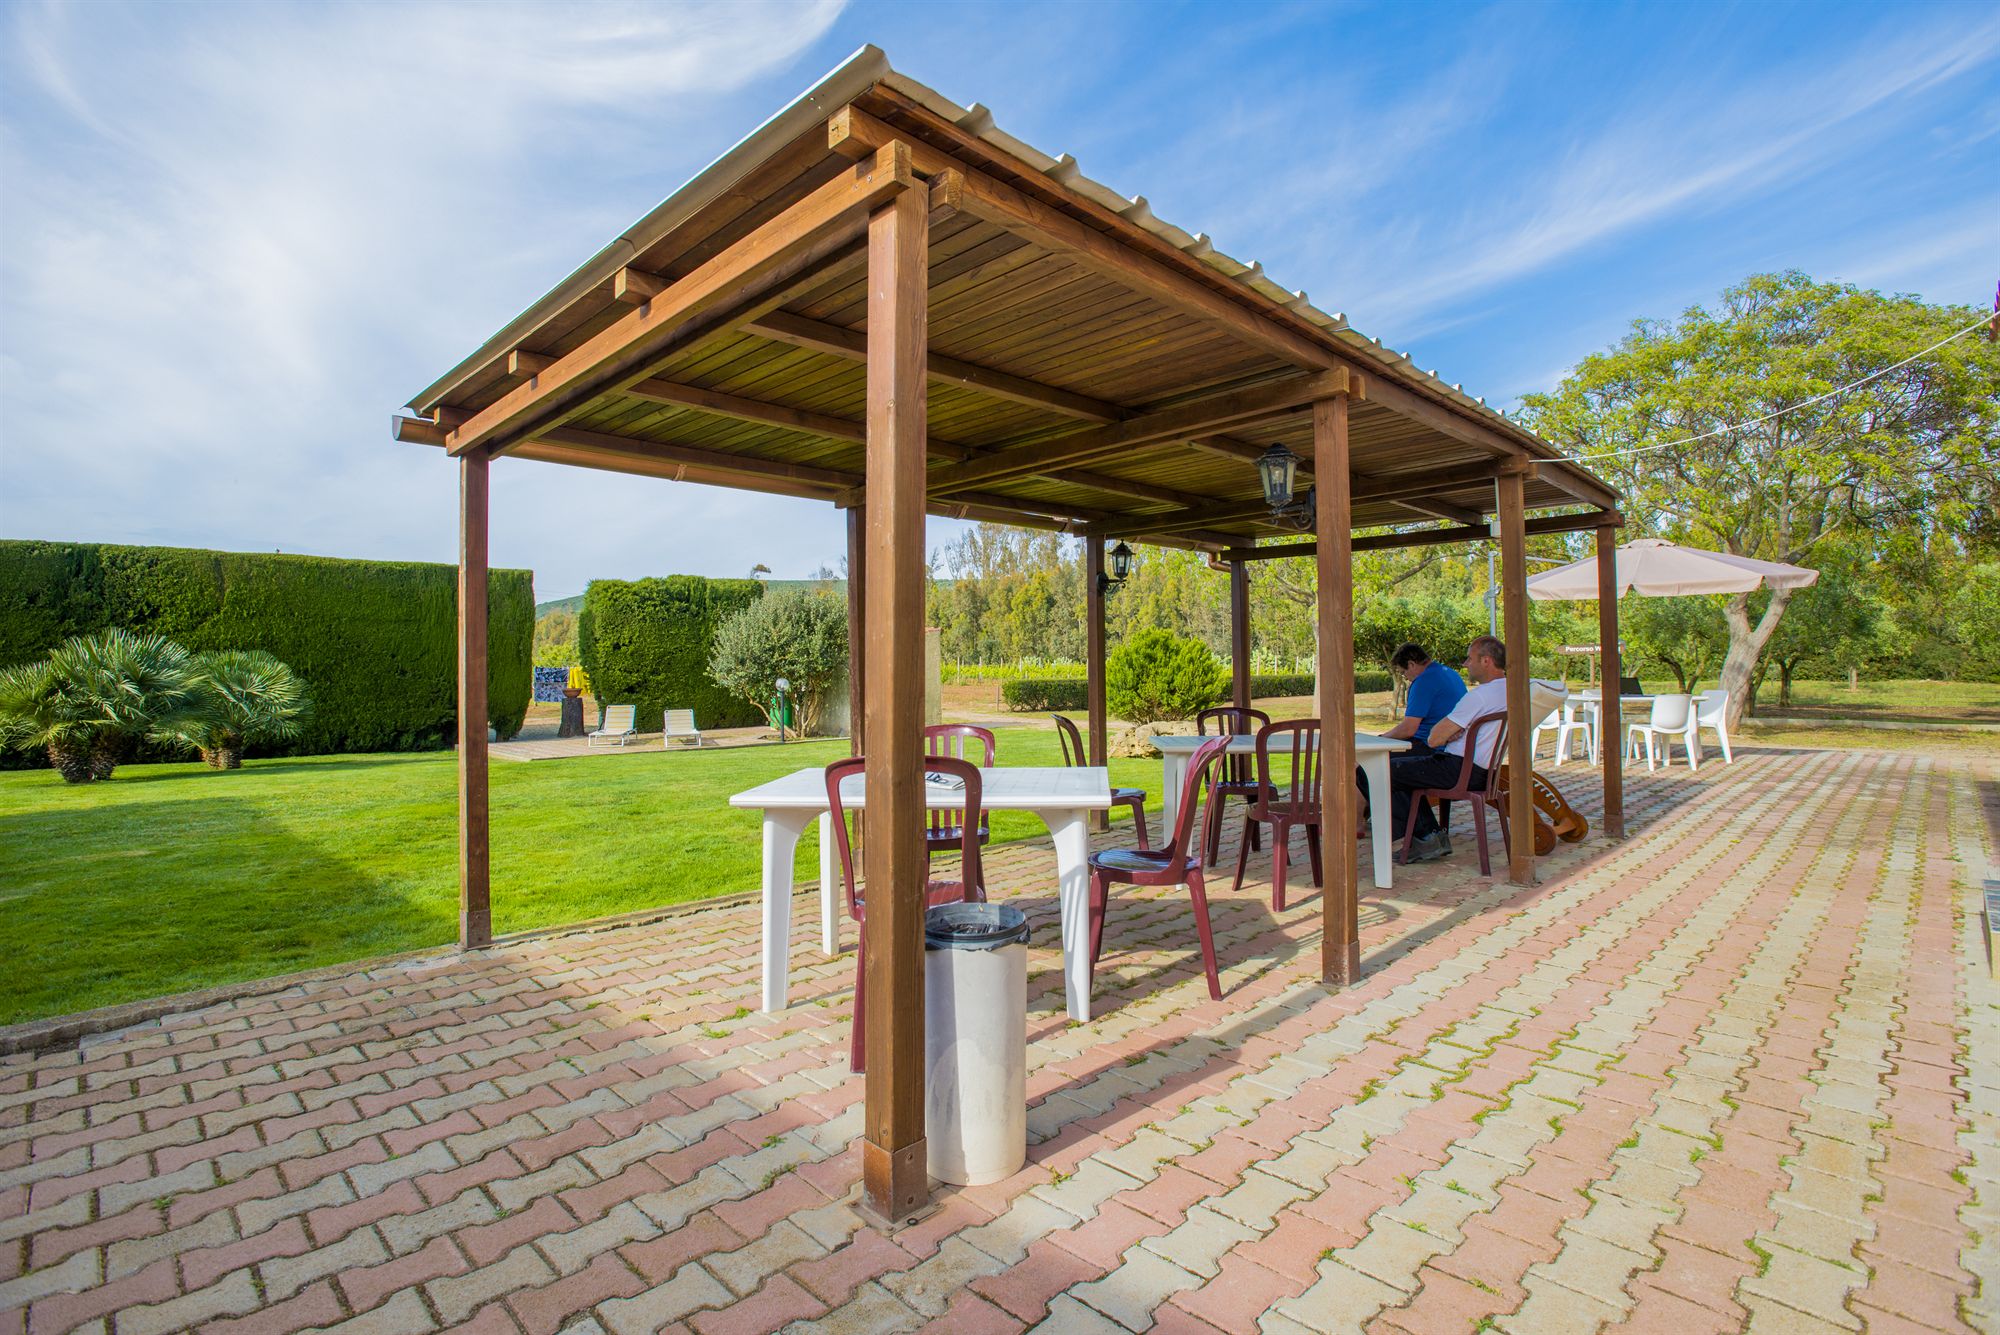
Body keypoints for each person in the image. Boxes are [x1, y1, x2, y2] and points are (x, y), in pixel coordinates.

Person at [1389, 635, 1511, 862]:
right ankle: (1426, 834)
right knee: (1399, 769)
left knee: (1384, 771)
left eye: (1470, 658)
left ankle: (1426, 837)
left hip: (1459, 769)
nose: (1465, 664)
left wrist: (1451, 731)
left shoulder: (1480, 697)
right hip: (1487, 772)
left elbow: (1434, 739)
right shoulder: (1512, 692)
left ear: (1486, 661)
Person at [1383, 643, 1465, 751]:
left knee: (1375, 759)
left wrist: (1381, 738)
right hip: (1453, 744)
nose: (1406, 678)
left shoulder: (1423, 681)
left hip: (1430, 746)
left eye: (1403, 672)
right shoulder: (1451, 673)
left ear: (1411, 664)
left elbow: (1408, 729)